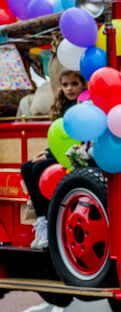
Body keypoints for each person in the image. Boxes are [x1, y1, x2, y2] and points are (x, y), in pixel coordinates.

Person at [20, 65, 85, 249]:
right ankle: (41, 222)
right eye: (65, 85)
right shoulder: (62, 104)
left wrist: (49, 154)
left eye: (74, 84)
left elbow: (77, 137)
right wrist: (47, 151)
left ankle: (51, 221)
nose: (69, 88)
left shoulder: (84, 104)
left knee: (39, 169)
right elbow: (61, 136)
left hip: (79, 154)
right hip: (62, 152)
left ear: (83, 84)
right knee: (27, 167)